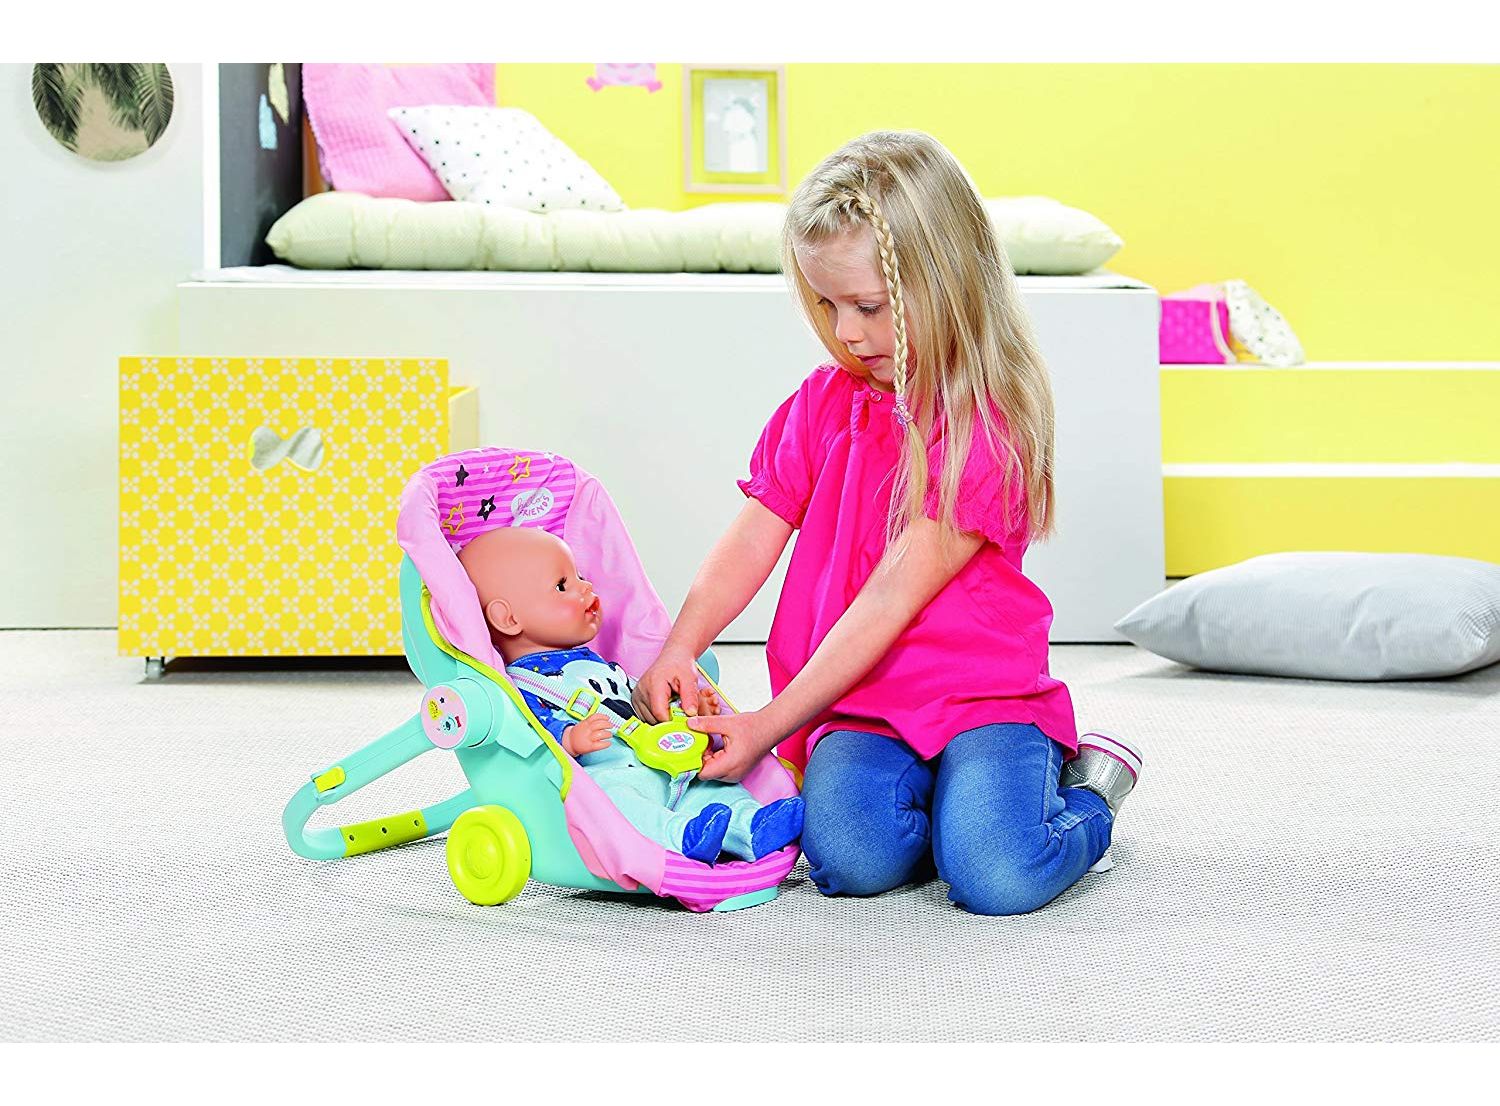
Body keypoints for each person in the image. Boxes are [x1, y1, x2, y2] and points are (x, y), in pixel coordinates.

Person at [631, 130, 1144, 915]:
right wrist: (681, 644)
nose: (846, 331)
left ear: (947, 283)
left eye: (868, 308)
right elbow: (754, 534)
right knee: (847, 858)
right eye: (827, 304)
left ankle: (1091, 793)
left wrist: (766, 725)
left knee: (996, 876)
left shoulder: (985, 426)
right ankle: (952, 805)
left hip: (983, 700)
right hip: (862, 704)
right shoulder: (822, 403)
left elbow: (888, 599)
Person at [457, 525, 804, 866]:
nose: (586, 587)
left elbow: (635, 702)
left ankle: (751, 825)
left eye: (580, 576)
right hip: (616, 774)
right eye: (563, 585)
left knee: (713, 783)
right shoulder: (524, 684)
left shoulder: (596, 662)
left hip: (666, 763)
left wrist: (683, 709)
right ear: (507, 618)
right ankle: (682, 837)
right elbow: (529, 736)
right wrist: (569, 739)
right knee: (613, 801)